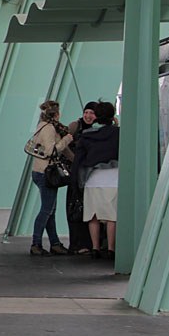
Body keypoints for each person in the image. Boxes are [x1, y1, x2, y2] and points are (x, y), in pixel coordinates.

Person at [71, 101, 120, 259]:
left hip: (92, 179)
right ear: (112, 116)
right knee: (112, 216)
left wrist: (75, 181)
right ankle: (111, 249)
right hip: (113, 178)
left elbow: (79, 159)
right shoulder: (118, 133)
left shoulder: (87, 135)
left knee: (93, 216)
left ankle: (95, 248)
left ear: (96, 116)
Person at [28, 100, 74, 256]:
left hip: (39, 171)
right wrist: (67, 139)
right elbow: (51, 151)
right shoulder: (48, 129)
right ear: (56, 114)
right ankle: (36, 243)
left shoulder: (41, 126)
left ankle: (55, 243)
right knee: (46, 210)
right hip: (46, 173)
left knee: (50, 210)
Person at [64, 102, 98, 254]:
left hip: (90, 174)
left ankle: (87, 243)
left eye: (92, 113)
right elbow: (64, 145)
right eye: (86, 112)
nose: (88, 116)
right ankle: (77, 243)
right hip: (76, 174)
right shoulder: (75, 126)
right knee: (75, 207)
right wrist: (75, 160)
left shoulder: (98, 130)